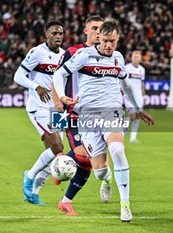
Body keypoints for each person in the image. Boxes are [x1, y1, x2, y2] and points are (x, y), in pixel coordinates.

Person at [53, 20, 154, 222]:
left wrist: (137, 108)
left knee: (117, 150)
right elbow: (59, 73)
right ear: (100, 38)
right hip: (87, 116)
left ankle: (125, 205)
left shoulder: (118, 58)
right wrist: (62, 97)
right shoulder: (84, 55)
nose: (109, 46)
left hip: (112, 111)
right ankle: (106, 179)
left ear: (118, 40)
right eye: (106, 41)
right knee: (99, 172)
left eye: (113, 42)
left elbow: (125, 83)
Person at [51, 15, 108, 216]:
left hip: (98, 114)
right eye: (94, 28)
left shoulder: (108, 55)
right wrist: (59, 101)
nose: (98, 32)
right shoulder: (73, 52)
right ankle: (60, 166)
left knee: (90, 163)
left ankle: (65, 197)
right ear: (86, 31)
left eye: (101, 28)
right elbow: (57, 76)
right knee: (85, 156)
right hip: (74, 113)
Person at [13, 20, 65, 204]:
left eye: (61, 33)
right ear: (46, 35)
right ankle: (30, 175)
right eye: (54, 33)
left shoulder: (65, 56)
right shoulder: (37, 52)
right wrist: (36, 87)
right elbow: (18, 76)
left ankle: (33, 193)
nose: (58, 36)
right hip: (39, 107)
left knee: (54, 154)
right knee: (57, 147)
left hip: (58, 108)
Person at [125, 50, 146, 143]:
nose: (136, 58)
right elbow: (122, 81)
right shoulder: (127, 68)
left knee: (138, 116)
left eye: (138, 56)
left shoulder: (142, 69)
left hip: (139, 97)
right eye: (135, 56)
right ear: (131, 57)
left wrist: (143, 95)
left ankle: (133, 137)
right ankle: (122, 125)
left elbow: (142, 83)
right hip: (129, 96)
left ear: (141, 58)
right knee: (133, 116)